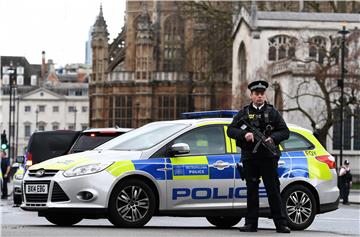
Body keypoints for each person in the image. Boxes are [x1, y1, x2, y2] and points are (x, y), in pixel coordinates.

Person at [227, 80, 291, 233]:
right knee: (252, 191)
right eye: (256, 94)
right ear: (251, 96)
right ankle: (250, 224)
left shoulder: (272, 112)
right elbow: (230, 130)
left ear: (264, 95)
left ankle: (281, 224)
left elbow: (285, 131)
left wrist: (273, 138)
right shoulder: (243, 113)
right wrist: (245, 135)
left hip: (268, 157)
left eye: (262, 94)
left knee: (273, 190)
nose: (260, 96)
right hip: (250, 157)